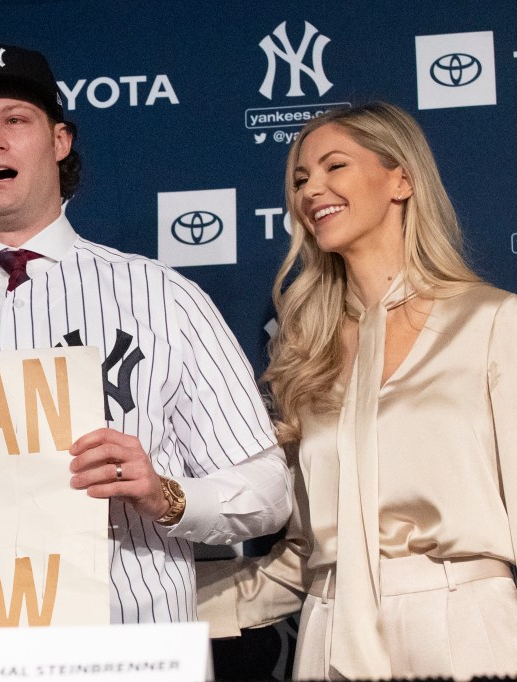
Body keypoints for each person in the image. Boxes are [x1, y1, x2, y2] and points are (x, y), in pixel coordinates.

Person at [0, 42, 292, 624]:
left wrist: (166, 494)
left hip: (128, 645)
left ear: (60, 142)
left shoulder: (162, 298)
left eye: (16, 120)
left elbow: (267, 491)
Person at [197, 102, 517, 680]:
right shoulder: (305, 351)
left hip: (466, 630)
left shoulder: (493, 322)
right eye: (299, 179)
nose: (311, 188)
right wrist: (150, 602)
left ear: (402, 179)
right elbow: (298, 561)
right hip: (328, 633)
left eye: (333, 166)